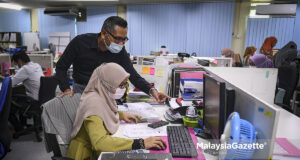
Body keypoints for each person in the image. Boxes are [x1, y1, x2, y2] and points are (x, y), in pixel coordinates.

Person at [55, 16, 169, 103]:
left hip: (107, 93)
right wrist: (66, 89)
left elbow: (133, 75)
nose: (121, 44)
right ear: (104, 34)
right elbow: (61, 66)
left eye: (124, 39)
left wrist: (152, 91)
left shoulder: (120, 51)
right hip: (82, 92)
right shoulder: (80, 42)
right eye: (118, 39)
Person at [67, 63, 167, 160]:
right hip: (86, 155)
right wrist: (141, 143)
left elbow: (104, 112)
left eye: (125, 84)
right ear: (107, 83)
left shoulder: (101, 95)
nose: (123, 89)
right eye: (121, 85)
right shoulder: (93, 104)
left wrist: (121, 115)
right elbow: (100, 143)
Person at [9, 51, 44, 132]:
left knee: (10, 107)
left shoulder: (25, 69)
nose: (17, 65)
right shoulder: (36, 65)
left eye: (16, 63)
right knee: (21, 96)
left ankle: (19, 128)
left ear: (20, 61)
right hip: (41, 99)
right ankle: (24, 125)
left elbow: (11, 83)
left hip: (33, 100)